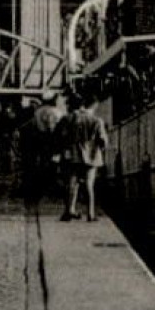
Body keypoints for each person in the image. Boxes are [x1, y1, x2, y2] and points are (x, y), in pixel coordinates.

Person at [58, 93, 108, 222]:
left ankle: (69, 211)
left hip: (73, 156)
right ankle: (91, 214)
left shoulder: (67, 119)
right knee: (89, 185)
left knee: (71, 184)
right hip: (91, 157)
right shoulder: (97, 120)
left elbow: (60, 137)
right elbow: (103, 141)